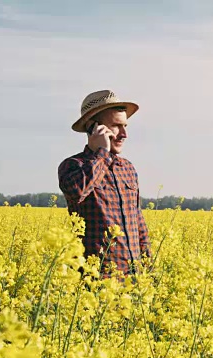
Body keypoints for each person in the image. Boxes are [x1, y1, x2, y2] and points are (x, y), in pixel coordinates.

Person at [58, 90, 151, 278]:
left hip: (133, 279)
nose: (124, 134)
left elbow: (138, 221)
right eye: (116, 126)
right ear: (93, 128)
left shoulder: (127, 168)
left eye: (125, 126)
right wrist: (101, 153)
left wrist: (148, 268)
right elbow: (77, 192)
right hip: (95, 281)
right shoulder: (74, 166)